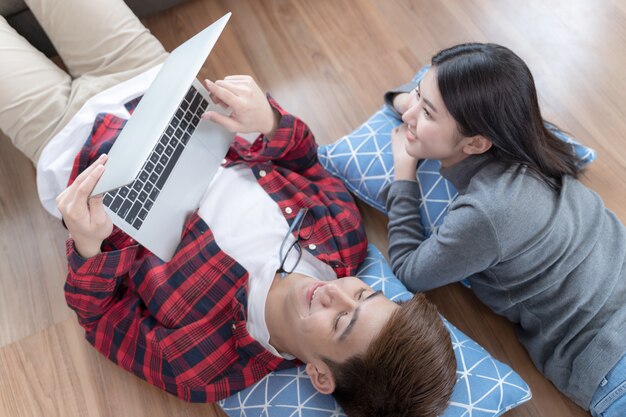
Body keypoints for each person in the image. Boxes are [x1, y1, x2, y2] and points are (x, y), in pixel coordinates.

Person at [0, 1, 457, 416]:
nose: (334, 292)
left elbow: (99, 319)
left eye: (340, 321)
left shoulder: (203, 366)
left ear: (320, 375)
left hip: (67, 139)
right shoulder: (342, 239)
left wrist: (88, 245)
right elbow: (301, 157)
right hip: (151, 78)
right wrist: (269, 123)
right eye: (364, 294)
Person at [384, 42, 626, 416]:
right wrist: (408, 105)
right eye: (417, 94)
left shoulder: (486, 213)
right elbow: (407, 104)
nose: (410, 115)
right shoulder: (530, 135)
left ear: (478, 142)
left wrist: (404, 172)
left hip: (608, 356)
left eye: (427, 111)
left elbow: (409, 271)